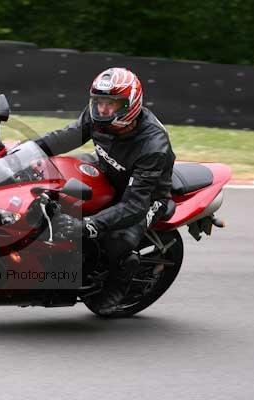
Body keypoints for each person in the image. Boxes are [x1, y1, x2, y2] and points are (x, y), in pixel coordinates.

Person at [34, 67, 176, 313]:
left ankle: (118, 285)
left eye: (111, 103)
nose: (102, 109)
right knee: (52, 180)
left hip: (147, 196)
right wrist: (27, 151)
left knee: (117, 238)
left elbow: (134, 205)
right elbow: (65, 137)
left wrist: (89, 224)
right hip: (109, 170)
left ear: (130, 104)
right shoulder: (97, 118)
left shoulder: (153, 145)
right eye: (99, 101)